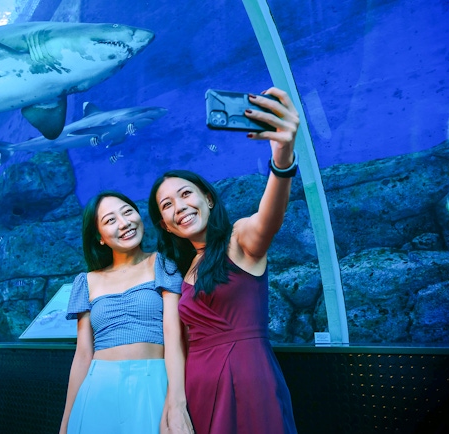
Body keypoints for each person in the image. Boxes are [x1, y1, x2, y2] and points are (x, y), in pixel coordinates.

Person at [148, 87, 299, 434]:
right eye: (167, 205)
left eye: (185, 194)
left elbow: (269, 217)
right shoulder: (185, 270)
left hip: (247, 380)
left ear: (208, 199)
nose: (179, 206)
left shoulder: (240, 239)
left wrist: (282, 159)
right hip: (196, 389)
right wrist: (173, 405)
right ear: (165, 225)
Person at [59, 191, 193, 434]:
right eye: (110, 220)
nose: (124, 223)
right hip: (98, 387)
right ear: (99, 237)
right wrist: (66, 423)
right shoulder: (86, 281)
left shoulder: (162, 265)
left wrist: (177, 401)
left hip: (152, 382)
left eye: (128, 211)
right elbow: (82, 354)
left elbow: (175, 340)